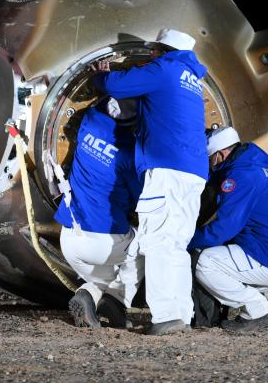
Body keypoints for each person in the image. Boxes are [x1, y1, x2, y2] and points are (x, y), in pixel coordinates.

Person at [91, 28, 208, 335]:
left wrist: (101, 77)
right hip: (194, 172)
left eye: (154, 50)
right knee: (176, 244)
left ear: (162, 50)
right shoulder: (192, 79)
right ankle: (180, 313)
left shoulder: (166, 69)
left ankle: (165, 316)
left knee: (157, 241)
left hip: (167, 168)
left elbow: (119, 84)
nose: (151, 55)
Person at [189, 126, 268, 331]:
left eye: (210, 159)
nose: (209, 165)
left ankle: (256, 311)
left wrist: (187, 241)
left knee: (206, 263)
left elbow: (222, 229)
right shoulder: (256, 165)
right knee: (233, 263)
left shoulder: (241, 176)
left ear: (221, 154)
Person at [57, 97, 142, 329]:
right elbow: (140, 199)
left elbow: (98, 103)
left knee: (106, 275)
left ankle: (90, 296)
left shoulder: (89, 123)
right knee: (150, 245)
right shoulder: (130, 153)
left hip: (68, 239)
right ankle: (117, 300)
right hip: (102, 243)